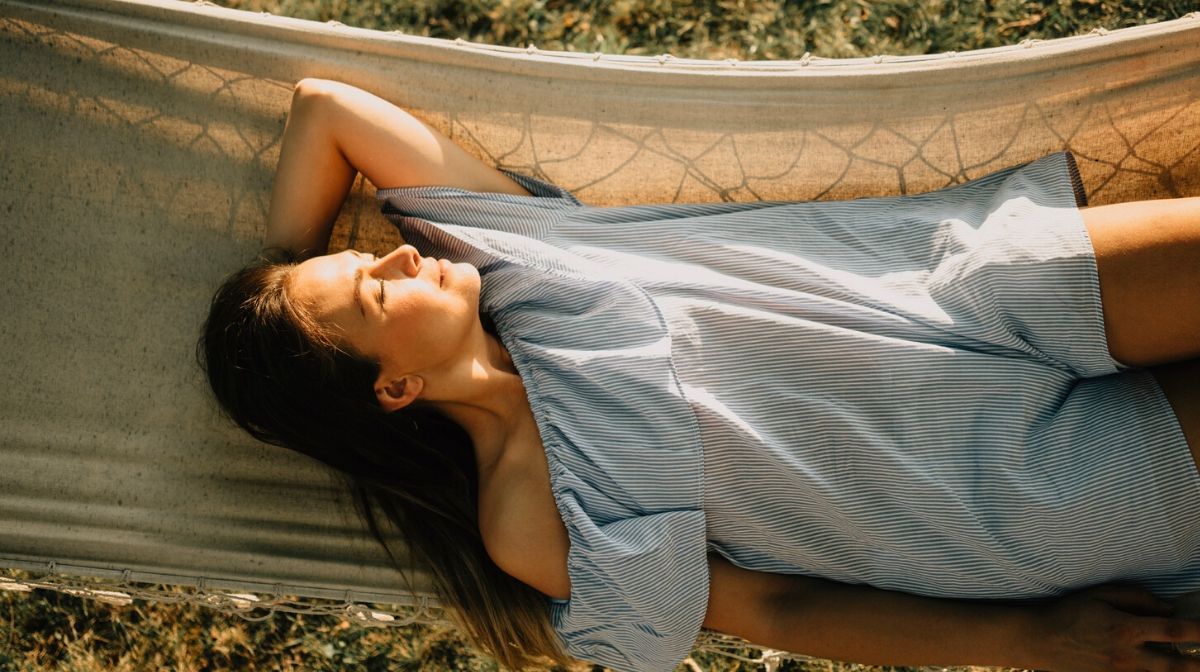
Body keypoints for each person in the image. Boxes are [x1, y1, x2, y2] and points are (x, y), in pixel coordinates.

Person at [198, 77, 1200, 672]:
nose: (396, 255)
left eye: (364, 252)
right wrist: (1030, 643)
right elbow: (772, 611)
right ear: (395, 390)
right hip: (994, 493)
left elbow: (322, 108)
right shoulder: (525, 519)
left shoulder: (497, 241)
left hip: (960, 288)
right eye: (373, 291)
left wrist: (284, 288)